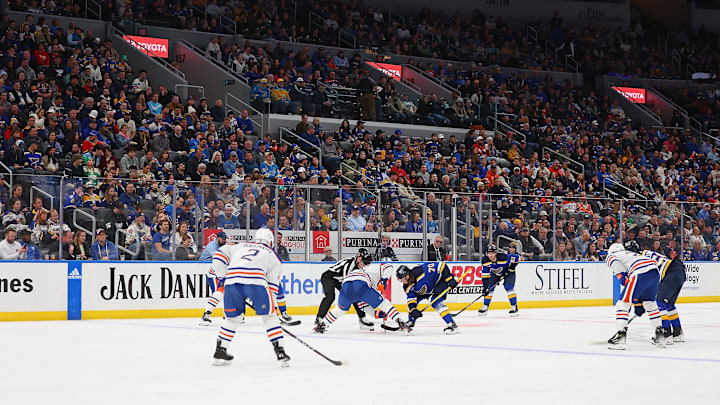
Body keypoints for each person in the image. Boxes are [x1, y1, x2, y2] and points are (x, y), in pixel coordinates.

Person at [209, 228, 290, 367]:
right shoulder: (273, 255)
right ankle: (280, 351)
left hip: (231, 282)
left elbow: (218, 256)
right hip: (256, 282)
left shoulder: (239, 246)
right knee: (270, 317)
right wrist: (269, 306)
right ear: (270, 241)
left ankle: (220, 350)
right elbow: (272, 287)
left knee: (232, 319)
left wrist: (222, 277)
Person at [314, 263, 408, 334]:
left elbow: (362, 305)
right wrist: (383, 280)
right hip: (361, 283)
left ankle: (322, 324)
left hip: (346, 285)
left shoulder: (356, 271)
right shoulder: (372, 269)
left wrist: (375, 313)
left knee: (340, 309)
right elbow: (389, 266)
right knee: (384, 304)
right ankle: (401, 322)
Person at [605, 243, 664, 350]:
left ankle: (620, 336)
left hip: (640, 272)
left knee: (622, 303)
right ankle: (660, 336)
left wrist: (621, 275)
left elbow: (613, 262)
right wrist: (639, 303)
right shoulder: (631, 255)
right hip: (654, 272)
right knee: (650, 303)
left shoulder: (612, 255)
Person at [625, 241, 687, 343]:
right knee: (669, 305)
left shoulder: (636, 262)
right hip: (679, 271)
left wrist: (639, 305)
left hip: (670, 274)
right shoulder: (645, 253)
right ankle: (677, 333)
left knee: (659, 304)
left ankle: (666, 335)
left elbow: (641, 285)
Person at [315, 249, 375, 330]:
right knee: (330, 296)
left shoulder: (361, 266)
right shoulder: (349, 264)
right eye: (363, 262)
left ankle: (362, 319)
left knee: (356, 297)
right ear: (358, 258)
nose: (363, 265)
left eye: (365, 263)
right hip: (328, 278)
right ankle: (319, 318)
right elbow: (346, 281)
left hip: (340, 280)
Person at [395, 262, 461, 334]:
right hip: (425, 291)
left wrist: (449, 279)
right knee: (411, 307)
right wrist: (413, 310)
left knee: (435, 302)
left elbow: (441, 265)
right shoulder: (406, 286)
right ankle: (411, 322)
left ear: (407, 276)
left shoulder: (420, 272)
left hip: (439, 283)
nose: (400, 281)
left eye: (401, 279)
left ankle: (452, 325)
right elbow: (411, 298)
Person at [478, 244, 521, 317]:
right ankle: (485, 306)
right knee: (489, 287)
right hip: (495, 274)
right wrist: (485, 288)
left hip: (508, 273)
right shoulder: (485, 261)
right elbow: (485, 276)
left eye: (492, 253)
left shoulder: (503, 257)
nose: (491, 255)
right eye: (489, 253)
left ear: (496, 253)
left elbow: (518, 258)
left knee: (508, 287)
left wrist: (511, 268)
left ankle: (514, 307)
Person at [200, 231, 230, 326]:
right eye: (223, 239)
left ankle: (228, 315)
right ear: (217, 238)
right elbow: (217, 258)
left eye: (225, 239)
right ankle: (206, 315)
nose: (224, 240)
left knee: (226, 293)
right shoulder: (213, 247)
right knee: (219, 293)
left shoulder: (226, 248)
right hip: (214, 275)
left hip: (221, 273)